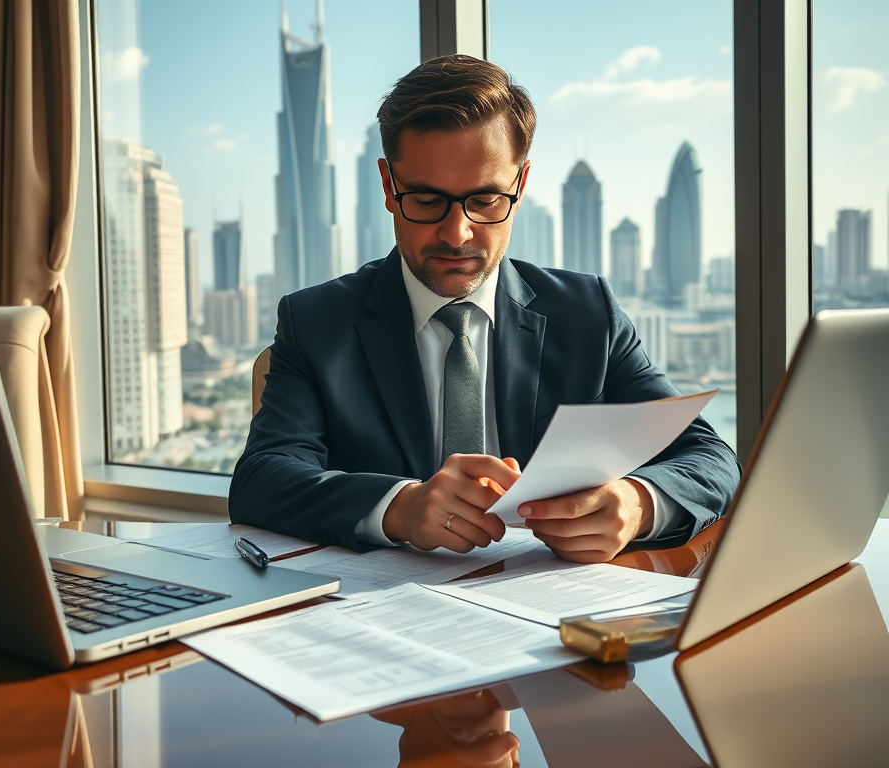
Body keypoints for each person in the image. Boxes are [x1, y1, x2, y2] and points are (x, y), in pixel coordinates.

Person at [230, 55, 739, 563]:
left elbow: (709, 459)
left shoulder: (588, 315)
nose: (457, 233)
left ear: (519, 185)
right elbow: (262, 478)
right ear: (388, 186)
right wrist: (400, 507)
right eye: (426, 200)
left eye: (487, 200)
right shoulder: (316, 322)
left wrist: (635, 504)